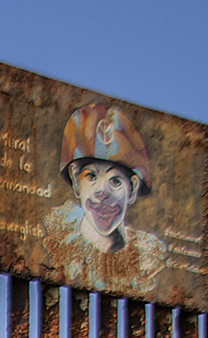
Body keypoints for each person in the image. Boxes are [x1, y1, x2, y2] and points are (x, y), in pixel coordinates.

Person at [46, 101, 170, 275]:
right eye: (91, 176)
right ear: (76, 180)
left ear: (133, 188)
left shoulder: (146, 260)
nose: (102, 193)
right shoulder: (57, 238)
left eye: (116, 181)